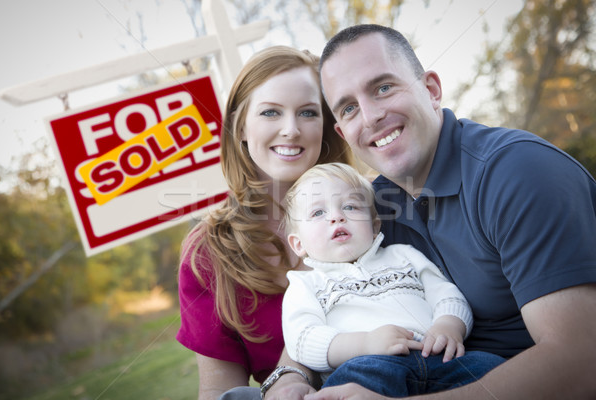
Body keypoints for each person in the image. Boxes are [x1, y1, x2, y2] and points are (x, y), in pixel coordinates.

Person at [299, 23, 596, 400]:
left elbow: (582, 363)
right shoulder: (374, 211)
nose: (370, 116)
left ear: (431, 89)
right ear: (343, 132)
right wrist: (289, 374)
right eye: (350, 107)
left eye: (383, 88)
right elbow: (321, 291)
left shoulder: (518, 172)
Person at [176, 46, 352, 400]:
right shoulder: (208, 253)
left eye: (307, 112)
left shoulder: (369, 208)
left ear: (325, 125)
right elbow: (220, 390)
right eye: (271, 112)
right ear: (240, 126)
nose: (291, 130)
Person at [281, 162, 504, 397]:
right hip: (366, 365)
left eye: (350, 207)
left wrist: (449, 325)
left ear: (375, 226)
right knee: (345, 387)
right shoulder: (305, 284)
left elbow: (446, 293)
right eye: (318, 213)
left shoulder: (404, 254)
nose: (336, 217)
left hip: (437, 355)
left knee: (491, 367)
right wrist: (365, 343)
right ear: (298, 244)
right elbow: (302, 339)